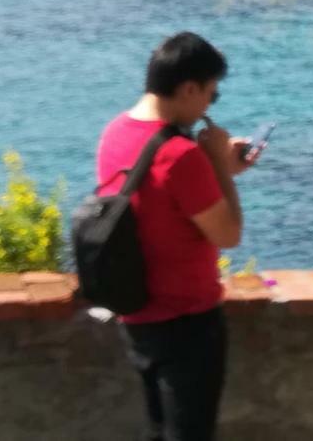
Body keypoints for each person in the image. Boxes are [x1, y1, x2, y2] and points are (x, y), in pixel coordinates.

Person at [96, 32, 259, 441]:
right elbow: (230, 233)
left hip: (135, 311)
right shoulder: (180, 156)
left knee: (158, 430)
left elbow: (159, 205)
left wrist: (212, 169)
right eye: (211, 94)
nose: (209, 106)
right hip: (186, 320)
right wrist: (219, 165)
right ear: (188, 88)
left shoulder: (115, 133)